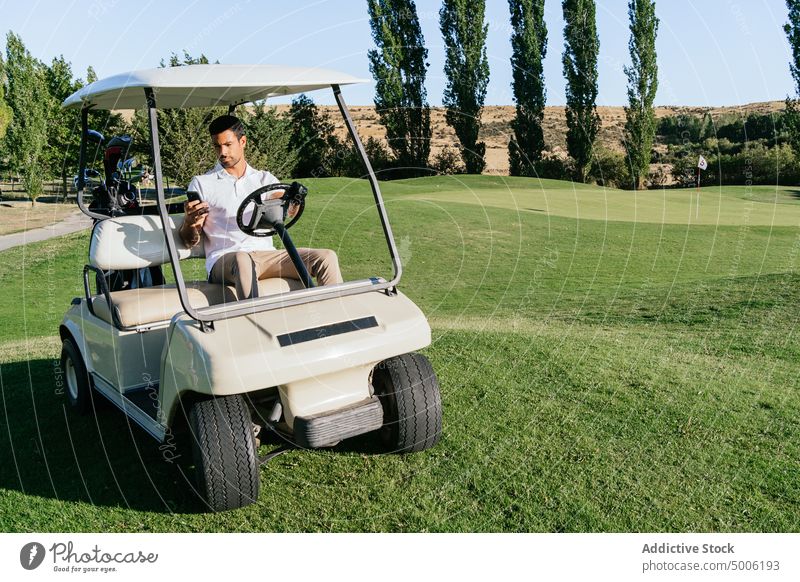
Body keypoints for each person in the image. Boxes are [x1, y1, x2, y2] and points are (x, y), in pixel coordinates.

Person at [179, 115, 343, 299]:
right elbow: (189, 240)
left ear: (243, 141)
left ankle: (336, 316)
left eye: (228, 144)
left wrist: (293, 201)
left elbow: (286, 212)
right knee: (243, 260)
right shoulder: (202, 183)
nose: (222, 152)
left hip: (266, 255)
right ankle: (256, 323)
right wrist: (189, 222)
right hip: (225, 259)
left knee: (326, 257)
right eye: (217, 146)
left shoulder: (264, 179)